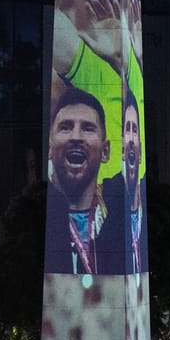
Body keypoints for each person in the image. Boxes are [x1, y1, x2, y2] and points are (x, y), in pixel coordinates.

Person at [45, 88, 119, 275]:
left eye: (87, 128)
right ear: (49, 148)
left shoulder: (117, 214)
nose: (76, 137)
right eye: (66, 127)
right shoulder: (37, 217)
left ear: (105, 151)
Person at [98, 90, 146, 274]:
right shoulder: (105, 194)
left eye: (135, 129)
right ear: (122, 148)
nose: (131, 139)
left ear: (140, 150)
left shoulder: (144, 199)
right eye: (127, 129)